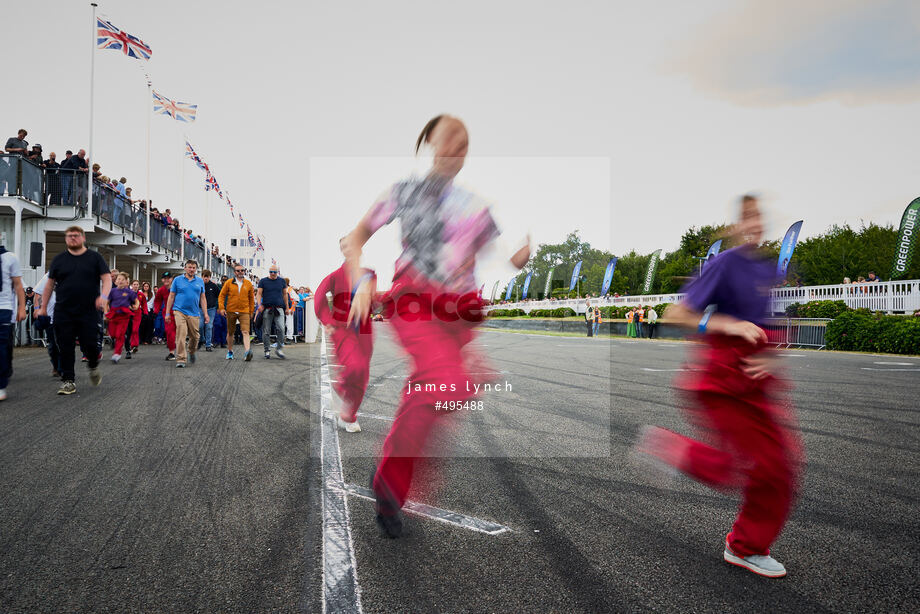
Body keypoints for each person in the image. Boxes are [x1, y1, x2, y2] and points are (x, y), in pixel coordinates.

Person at [343, 114, 529, 537]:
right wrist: (359, 282)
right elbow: (355, 238)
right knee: (445, 381)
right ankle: (390, 484)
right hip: (413, 302)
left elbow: (493, 255)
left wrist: (517, 260)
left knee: (435, 391)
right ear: (429, 142)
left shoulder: (475, 206)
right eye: (449, 140)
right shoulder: (402, 192)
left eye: (464, 145)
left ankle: (389, 481)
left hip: (455, 312)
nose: (456, 150)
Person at [635, 195, 802, 578]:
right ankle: (671, 448)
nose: (754, 223)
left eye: (759, 216)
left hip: (756, 379)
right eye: (747, 218)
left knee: (781, 466)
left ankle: (747, 546)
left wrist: (770, 354)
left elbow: (765, 328)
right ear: (737, 226)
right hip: (721, 379)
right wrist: (727, 325)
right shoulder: (725, 263)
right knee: (734, 468)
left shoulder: (766, 271)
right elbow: (677, 314)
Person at [36, 226, 110, 395]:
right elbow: (49, 285)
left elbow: (106, 279)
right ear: (65, 239)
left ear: (83, 238)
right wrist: (42, 308)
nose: (72, 239)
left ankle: (93, 366)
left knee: (90, 345)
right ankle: (68, 381)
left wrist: (104, 296)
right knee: (65, 346)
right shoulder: (59, 260)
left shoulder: (95, 258)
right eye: (69, 236)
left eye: (76, 236)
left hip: (89, 311)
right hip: (64, 311)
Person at [315, 236, 378, 433]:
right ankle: (342, 386)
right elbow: (319, 297)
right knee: (355, 367)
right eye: (344, 246)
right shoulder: (335, 276)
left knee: (363, 374)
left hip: (365, 329)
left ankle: (348, 415)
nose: (348, 249)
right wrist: (328, 320)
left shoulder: (370, 275)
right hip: (342, 329)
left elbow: (374, 302)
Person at [165, 260, 208, 368]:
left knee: (195, 336)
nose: (191, 269)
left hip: (194, 313)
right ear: (185, 268)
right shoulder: (177, 280)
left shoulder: (199, 281)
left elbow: (203, 298)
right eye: (189, 267)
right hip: (179, 311)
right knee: (181, 334)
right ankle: (181, 359)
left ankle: (191, 351)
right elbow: (171, 296)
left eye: (193, 267)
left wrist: (206, 314)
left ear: (196, 269)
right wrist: (167, 313)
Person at [0, 238, 27, 400]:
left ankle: (1, 384)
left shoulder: (10, 257)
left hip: (4, 307)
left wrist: (22, 307)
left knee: (2, 346)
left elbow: (18, 284)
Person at [218, 264, 255, 360]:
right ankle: (230, 351)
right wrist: (222, 308)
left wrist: (251, 311)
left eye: (242, 270)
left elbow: (251, 299)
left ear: (244, 272)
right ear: (234, 272)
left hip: (244, 311)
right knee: (230, 332)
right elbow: (221, 296)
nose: (240, 272)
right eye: (238, 271)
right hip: (231, 310)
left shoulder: (248, 284)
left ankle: (247, 352)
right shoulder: (229, 283)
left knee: (246, 331)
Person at [256, 265, 289, 359]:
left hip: (279, 308)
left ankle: (279, 349)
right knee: (266, 330)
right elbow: (258, 294)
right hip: (267, 308)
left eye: (275, 272)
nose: (273, 274)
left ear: (277, 272)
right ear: (269, 272)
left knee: (281, 329)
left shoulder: (282, 281)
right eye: (271, 272)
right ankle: (267, 350)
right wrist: (259, 305)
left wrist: (287, 308)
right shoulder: (263, 281)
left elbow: (285, 294)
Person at [106, 273, 139, 363]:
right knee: (112, 334)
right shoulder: (112, 291)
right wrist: (106, 312)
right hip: (113, 315)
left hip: (124, 316)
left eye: (122, 279)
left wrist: (136, 306)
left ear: (126, 282)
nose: (120, 281)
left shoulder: (129, 292)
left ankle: (117, 353)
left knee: (119, 335)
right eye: (118, 279)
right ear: (116, 281)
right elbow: (107, 302)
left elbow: (136, 301)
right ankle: (118, 340)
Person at [34, 272, 61, 377]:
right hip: (50, 317)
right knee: (53, 345)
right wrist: (36, 308)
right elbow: (37, 294)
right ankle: (56, 365)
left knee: (64, 343)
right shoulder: (49, 275)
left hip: (65, 317)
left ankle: (63, 369)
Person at [153, 272, 177, 360]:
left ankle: (183, 351)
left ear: (172, 279)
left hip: (179, 313)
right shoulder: (161, 290)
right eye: (164, 278)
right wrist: (156, 311)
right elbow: (157, 301)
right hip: (167, 315)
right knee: (169, 332)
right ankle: (172, 352)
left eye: (168, 278)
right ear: (162, 280)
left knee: (180, 333)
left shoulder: (177, 288)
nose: (166, 280)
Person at [201, 270, 221, 351]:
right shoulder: (199, 285)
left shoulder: (214, 286)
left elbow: (219, 296)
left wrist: (219, 307)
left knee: (209, 326)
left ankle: (208, 344)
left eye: (207, 277)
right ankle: (202, 339)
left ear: (210, 277)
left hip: (211, 309)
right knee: (199, 326)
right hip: (200, 308)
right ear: (202, 276)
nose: (206, 278)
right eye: (204, 276)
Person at [130, 279, 147, 352]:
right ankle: (130, 345)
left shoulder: (141, 294)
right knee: (130, 330)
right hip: (129, 312)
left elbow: (144, 304)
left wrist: (145, 313)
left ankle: (135, 345)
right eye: (134, 284)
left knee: (135, 329)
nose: (136, 286)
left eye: (137, 284)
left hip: (138, 313)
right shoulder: (128, 293)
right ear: (131, 285)